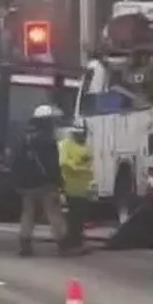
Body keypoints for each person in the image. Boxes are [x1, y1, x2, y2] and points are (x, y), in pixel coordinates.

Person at [11, 104, 74, 256]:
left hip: (28, 186)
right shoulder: (48, 142)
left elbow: (17, 162)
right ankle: (63, 244)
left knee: (28, 214)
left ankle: (25, 244)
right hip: (46, 184)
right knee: (54, 213)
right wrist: (59, 182)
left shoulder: (25, 139)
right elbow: (53, 165)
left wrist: (18, 182)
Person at [58, 121, 93, 249]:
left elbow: (89, 165)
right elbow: (64, 164)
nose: (82, 136)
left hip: (82, 188)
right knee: (72, 216)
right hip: (69, 187)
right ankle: (70, 241)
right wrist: (79, 167)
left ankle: (77, 240)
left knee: (80, 216)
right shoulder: (66, 145)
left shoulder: (86, 147)